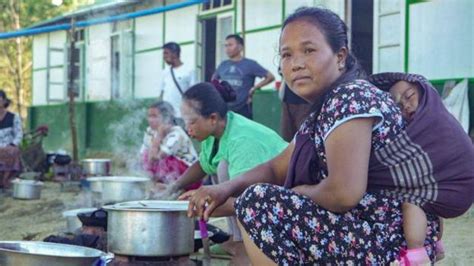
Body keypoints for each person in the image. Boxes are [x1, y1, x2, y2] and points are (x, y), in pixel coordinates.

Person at [182, 7, 474, 265]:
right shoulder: (321, 114)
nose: (296, 63)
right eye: (286, 54)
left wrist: (293, 194)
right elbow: (275, 167)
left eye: (308, 50)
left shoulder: (351, 98)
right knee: (255, 197)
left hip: (387, 235)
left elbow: (343, 193)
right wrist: (222, 189)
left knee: (258, 203)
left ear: (340, 57)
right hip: (366, 229)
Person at [166, 80, 287, 262]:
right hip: (255, 199)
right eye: (184, 122)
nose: (187, 128)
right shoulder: (215, 132)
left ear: (212, 118)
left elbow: (247, 202)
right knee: (217, 166)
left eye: (191, 122)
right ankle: (237, 239)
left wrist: (192, 206)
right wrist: (174, 186)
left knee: (223, 168)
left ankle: (246, 244)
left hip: (286, 204)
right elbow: (203, 164)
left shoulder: (243, 140)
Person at [368, 72, 474, 263]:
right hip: (452, 188)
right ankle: (436, 244)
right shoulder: (423, 124)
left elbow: (396, 161)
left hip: (459, 184)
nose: (406, 106)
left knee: (412, 200)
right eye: (398, 106)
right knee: (428, 194)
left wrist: (371, 169)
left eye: (409, 97)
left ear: (424, 92)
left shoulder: (435, 121)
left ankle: (416, 253)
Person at [140, 101, 200, 191]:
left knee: (166, 161)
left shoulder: (176, 133)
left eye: (154, 116)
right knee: (145, 156)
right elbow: (144, 157)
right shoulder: (150, 131)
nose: (150, 120)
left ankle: (173, 187)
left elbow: (156, 158)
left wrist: (159, 136)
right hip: (168, 174)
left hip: (189, 175)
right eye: (149, 116)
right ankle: (158, 185)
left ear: (166, 118)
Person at [213, 34, 275, 119]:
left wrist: (255, 88)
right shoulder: (223, 65)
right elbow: (214, 80)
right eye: (226, 46)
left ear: (240, 47)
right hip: (225, 110)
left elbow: (270, 77)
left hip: (243, 110)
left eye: (230, 45)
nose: (227, 48)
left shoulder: (250, 64)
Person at [159, 42, 196, 117]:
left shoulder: (189, 71)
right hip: (166, 115)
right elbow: (162, 92)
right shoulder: (165, 72)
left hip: (182, 115)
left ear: (175, 53)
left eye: (166, 53)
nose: (164, 57)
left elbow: (195, 93)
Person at [0, 90, 23, 191]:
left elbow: (19, 134)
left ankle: (5, 181)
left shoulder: (13, 117)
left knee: (12, 152)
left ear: (4, 101)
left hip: (8, 146)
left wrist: (13, 144)